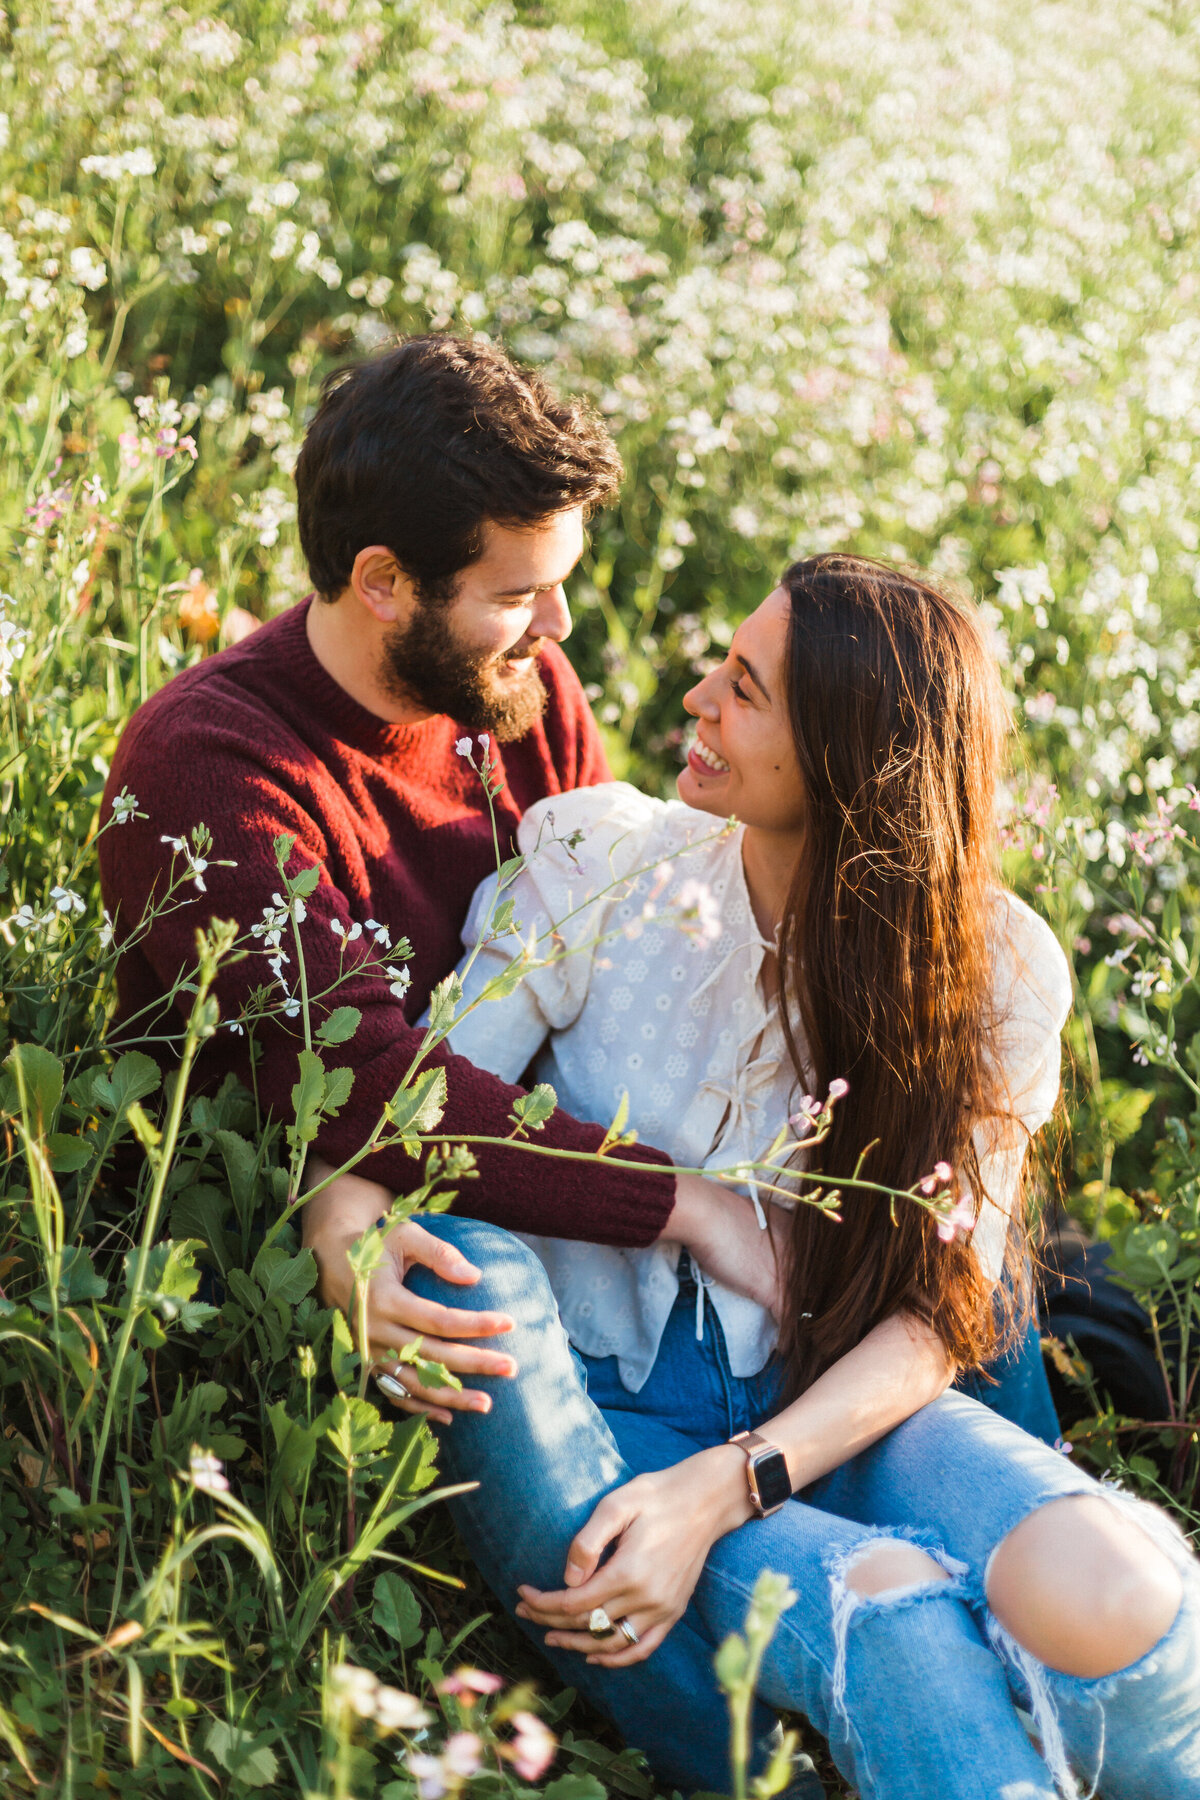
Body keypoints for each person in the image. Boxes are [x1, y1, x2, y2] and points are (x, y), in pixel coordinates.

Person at [332, 558, 1200, 1798]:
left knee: (1120, 1586)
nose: (695, 697)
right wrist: (344, 1219)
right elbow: (415, 1103)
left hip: (834, 1399)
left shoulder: (997, 966)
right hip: (610, 1410)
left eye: (743, 690)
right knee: (897, 1622)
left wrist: (738, 1483)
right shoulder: (606, 862)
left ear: (848, 759)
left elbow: (939, 1317)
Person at [98, 334, 780, 1389]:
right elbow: (359, 1077)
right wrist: (686, 1206)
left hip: (482, 1171)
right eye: (517, 596)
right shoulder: (211, 766)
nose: (553, 629)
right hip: (276, 1255)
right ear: (382, 581)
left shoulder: (521, 693)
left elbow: (598, 956)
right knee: (490, 1285)